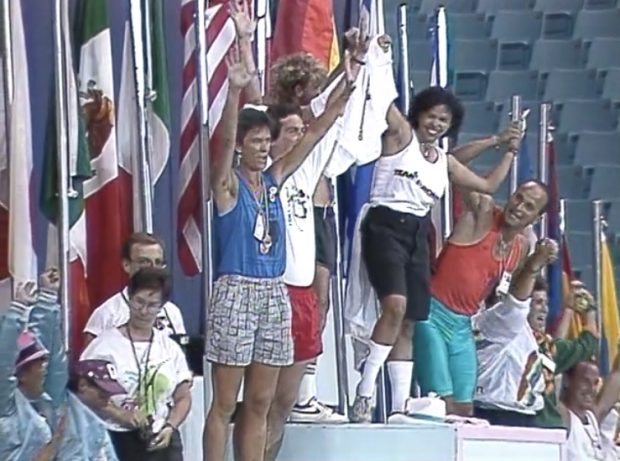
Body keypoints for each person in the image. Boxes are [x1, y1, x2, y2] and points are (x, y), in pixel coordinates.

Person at [347, 35, 522, 423]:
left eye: (444, 120)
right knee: (395, 305)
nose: (436, 123)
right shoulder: (402, 136)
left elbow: (489, 185)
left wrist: (506, 149)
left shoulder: (441, 159)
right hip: (385, 224)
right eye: (432, 115)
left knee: (410, 319)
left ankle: (396, 408)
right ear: (420, 113)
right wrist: (379, 54)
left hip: (417, 235)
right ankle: (364, 391)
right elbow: (382, 100)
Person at [202, 43, 353, 461]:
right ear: (241, 146)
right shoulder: (227, 186)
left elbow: (318, 129)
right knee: (224, 404)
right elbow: (225, 141)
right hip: (236, 291)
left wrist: (350, 82)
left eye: (268, 142)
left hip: (274, 293)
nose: (265, 149)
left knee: (260, 403)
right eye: (257, 142)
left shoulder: (276, 179)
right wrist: (234, 93)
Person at [413, 179, 548, 417]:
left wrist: (535, 264)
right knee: (441, 404)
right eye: (518, 198)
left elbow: (512, 296)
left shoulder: (521, 247)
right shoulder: (482, 212)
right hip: (431, 314)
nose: (519, 207)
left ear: (535, 218)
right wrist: (499, 144)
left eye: (529, 206)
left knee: (465, 409)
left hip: (462, 325)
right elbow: (454, 164)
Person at [82, 267, 193, 460]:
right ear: (130, 299)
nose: (143, 311)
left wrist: (170, 426)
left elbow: (183, 397)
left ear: (161, 307)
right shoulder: (104, 345)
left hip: (161, 439)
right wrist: (120, 414)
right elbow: (85, 390)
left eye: (152, 305)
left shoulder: (169, 348)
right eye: (139, 302)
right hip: (117, 439)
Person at [472, 238, 559, 426]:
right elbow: (516, 304)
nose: (543, 309)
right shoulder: (496, 323)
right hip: (500, 416)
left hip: (522, 416)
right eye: (536, 302)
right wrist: (534, 264)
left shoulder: (520, 332)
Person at [84, 232, 186, 346]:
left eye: (158, 262)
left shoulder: (172, 312)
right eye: (144, 262)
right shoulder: (107, 314)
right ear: (126, 265)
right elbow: (89, 361)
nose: (153, 269)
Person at [562, 357, 620, 460]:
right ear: (567, 380)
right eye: (585, 381)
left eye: (595, 383)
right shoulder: (564, 417)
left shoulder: (591, 418)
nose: (591, 389)